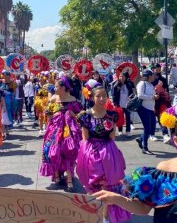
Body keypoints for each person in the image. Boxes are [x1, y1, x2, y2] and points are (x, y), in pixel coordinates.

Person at [77, 80, 130, 223]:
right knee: (94, 184)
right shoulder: (86, 116)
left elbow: (112, 137)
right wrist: (86, 156)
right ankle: (95, 214)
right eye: (98, 96)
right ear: (92, 98)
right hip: (91, 152)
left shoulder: (112, 115)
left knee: (109, 184)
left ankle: (106, 216)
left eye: (104, 96)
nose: (102, 99)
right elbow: (85, 138)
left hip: (108, 152)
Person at [39, 76, 82, 192]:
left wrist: (72, 114)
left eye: (57, 86)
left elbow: (79, 116)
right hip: (55, 130)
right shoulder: (53, 99)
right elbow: (47, 114)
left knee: (68, 152)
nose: (54, 87)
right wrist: (51, 117)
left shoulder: (73, 99)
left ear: (63, 87)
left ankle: (69, 179)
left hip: (69, 131)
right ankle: (57, 176)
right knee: (54, 152)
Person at [135, 69, 158, 155]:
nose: (153, 77)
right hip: (143, 108)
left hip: (151, 108)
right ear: (148, 76)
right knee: (147, 128)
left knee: (152, 128)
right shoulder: (141, 84)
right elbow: (140, 95)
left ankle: (141, 139)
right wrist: (152, 97)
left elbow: (152, 95)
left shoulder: (150, 84)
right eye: (152, 75)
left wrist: (155, 96)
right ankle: (145, 148)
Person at [112, 72, 134, 137]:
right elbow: (114, 95)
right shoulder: (116, 85)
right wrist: (115, 104)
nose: (122, 78)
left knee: (128, 117)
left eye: (123, 76)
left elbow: (132, 93)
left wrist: (131, 99)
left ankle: (128, 131)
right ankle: (120, 130)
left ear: (125, 77)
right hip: (119, 104)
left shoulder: (128, 84)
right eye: (120, 76)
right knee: (120, 117)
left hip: (127, 104)